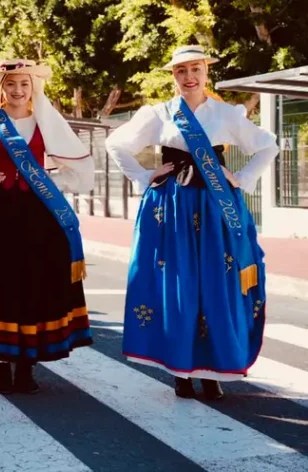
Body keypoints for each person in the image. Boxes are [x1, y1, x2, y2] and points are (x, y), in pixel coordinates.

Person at [106, 45, 278, 400]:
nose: (189, 77)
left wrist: (241, 179)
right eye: (181, 71)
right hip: (172, 208)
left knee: (216, 282)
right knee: (179, 283)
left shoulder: (226, 114)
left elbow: (267, 145)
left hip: (215, 208)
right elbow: (116, 144)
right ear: (173, 76)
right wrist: (145, 175)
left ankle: (211, 370)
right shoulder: (159, 114)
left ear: (206, 72)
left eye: (195, 69)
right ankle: (180, 370)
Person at [0, 59, 95, 394]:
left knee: (34, 283)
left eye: (24, 84)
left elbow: (80, 166)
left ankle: (26, 366)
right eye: (11, 84)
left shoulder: (46, 122)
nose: (18, 91)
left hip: (39, 215)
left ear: (33, 87)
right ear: (2, 87)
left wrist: (53, 183)